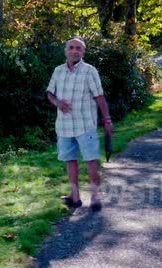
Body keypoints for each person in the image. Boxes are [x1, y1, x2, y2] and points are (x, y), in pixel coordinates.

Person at [46, 37, 114, 211]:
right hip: (64, 126)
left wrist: (106, 120)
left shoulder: (89, 71)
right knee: (71, 161)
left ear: (83, 52)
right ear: (66, 50)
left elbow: (99, 96)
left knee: (91, 161)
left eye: (78, 48)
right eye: (71, 47)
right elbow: (50, 93)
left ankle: (95, 196)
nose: (75, 51)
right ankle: (74, 197)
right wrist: (57, 103)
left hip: (85, 125)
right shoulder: (58, 71)